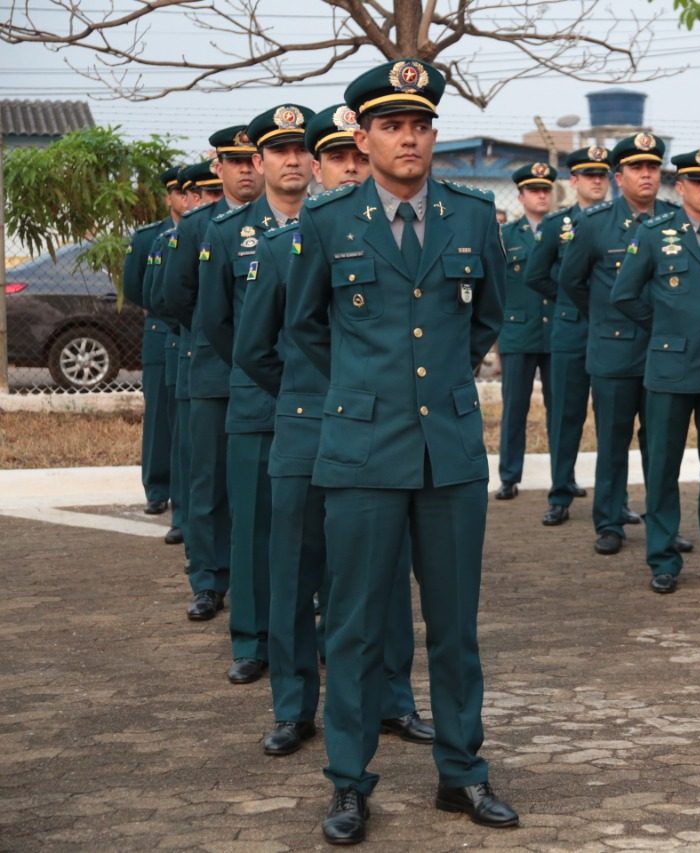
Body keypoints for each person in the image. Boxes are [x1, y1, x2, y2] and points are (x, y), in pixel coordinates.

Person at [286, 58, 517, 844]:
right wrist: (362, 389)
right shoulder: (328, 223)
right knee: (352, 626)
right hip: (360, 452)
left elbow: (488, 315)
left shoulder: (473, 218)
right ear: (363, 136)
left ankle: (462, 772)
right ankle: (349, 781)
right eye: (392, 125)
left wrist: (438, 385)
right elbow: (306, 329)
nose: (408, 138)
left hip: (448, 451)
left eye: (419, 125)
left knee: (455, 625)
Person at [234, 103, 434, 758]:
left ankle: (392, 697)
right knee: (294, 571)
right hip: (305, 431)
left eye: (357, 154)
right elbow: (255, 348)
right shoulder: (280, 247)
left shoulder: (404, 240)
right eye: (337, 157)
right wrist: (308, 398)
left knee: (383, 572)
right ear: (315, 167)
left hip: (380, 436)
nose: (350, 166)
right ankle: (294, 706)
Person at [197, 105, 315, 684]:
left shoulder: (336, 223)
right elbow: (220, 325)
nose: (292, 160)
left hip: (326, 407)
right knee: (253, 527)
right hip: (257, 402)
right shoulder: (226, 235)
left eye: (301, 149)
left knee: (321, 532)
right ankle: (251, 638)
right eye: (278, 151)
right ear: (260, 162)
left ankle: (313, 633)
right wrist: (274, 378)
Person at [612, 147, 700, 594]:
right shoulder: (654, 234)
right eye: (698, 182)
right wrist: (664, 324)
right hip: (669, 368)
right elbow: (624, 294)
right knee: (664, 468)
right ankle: (663, 558)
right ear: (680, 187)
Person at [559, 133, 679, 556]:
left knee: (662, 444)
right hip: (612, 351)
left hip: (665, 351)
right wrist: (603, 317)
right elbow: (570, 281)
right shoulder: (594, 224)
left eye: (652, 167)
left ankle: (663, 524)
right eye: (636, 168)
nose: (646, 175)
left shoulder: (674, 219)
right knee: (613, 441)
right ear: (618, 176)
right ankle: (609, 522)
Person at [162, 134, 261, 622]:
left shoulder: (283, 222)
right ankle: (207, 579)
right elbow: (173, 296)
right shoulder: (200, 226)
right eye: (234, 162)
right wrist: (213, 335)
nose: (245, 171)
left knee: (263, 488)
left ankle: (260, 580)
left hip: (266, 379)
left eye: (250, 161)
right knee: (208, 483)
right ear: (216, 168)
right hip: (210, 371)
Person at [525, 146, 610, 526]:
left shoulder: (621, 224)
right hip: (571, 331)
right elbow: (535, 274)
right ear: (573, 181)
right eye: (588, 175)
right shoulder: (559, 226)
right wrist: (569, 299)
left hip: (613, 333)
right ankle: (560, 494)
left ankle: (615, 499)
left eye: (602, 175)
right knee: (565, 417)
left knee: (614, 420)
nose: (596, 181)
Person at [494, 163, 557, 500]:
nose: (541, 195)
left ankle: (564, 476)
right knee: (514, 408)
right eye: (534, 190)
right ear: (520, 197)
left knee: (560, 409)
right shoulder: (506, 236)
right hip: (518, 333)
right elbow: (496, 286)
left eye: (546, 189)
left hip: (557, 333)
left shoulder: (564, 232)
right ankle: (509, 476)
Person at [123, 165, 182, 518]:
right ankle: (158, 488)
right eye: (178, 191)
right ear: (169, 197)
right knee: (160, 415)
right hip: (161, 332)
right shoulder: (149, 237)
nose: (185, 198)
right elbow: (134, 286)